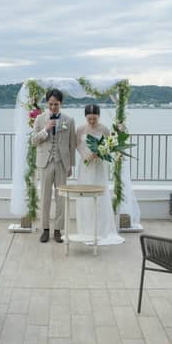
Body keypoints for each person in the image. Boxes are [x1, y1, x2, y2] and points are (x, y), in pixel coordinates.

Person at [31, 89, 76, 243]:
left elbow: (72, 144)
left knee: (60, 198)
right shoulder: (39, 119)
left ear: (61, 103)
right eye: (50, 104)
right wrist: (46, 129)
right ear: (47, 103)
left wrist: (71, 165)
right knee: (45, 197)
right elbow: (33, 140)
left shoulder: (69, 120)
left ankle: (57, 230)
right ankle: (45, 229)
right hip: (45, 163)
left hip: (62, 163)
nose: (53, 107)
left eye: (56, 104)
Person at [74, 104, 124, 245]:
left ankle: (102, 230)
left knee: (101, 197)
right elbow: (77, 144)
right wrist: (86, 156)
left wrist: (101, 153)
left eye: (94, 119)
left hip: (100, 166)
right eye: (89, 119)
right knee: (86, 198)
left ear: (99, 116)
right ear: (85, 117)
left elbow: (110, 145)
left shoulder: (104, 129)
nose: (91, 122)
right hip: (85, 165)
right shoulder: (80, 129)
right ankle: (87, 230)